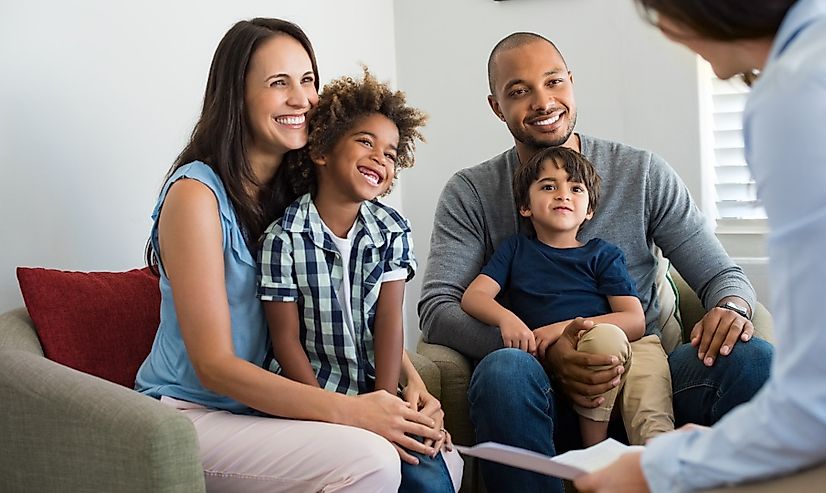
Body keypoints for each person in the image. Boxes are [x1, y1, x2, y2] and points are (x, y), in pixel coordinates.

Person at [419, 31, 773, 492]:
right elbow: (438, 307)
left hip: (643, 373)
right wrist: (546, 349)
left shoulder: (641, 173)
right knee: (505, 372)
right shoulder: (472, 192)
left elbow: (722, 275)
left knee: (752, 359)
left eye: (553, 82)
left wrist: (733, 307)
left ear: (571, 82)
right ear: (496, 106)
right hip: (532, 385)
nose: (543, 102)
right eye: (519, 91)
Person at [135, 18, 449, 492]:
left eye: (308, 80)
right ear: (236, 96)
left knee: (438, 457)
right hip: (191, 415)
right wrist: (355, 413)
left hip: (269, 410)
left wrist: (409, 387)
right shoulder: (195, 196)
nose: (301, 98)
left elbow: (347, 309)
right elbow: (213, 365)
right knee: (372, 462)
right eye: (278, 83)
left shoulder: (297, 197)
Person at [575, 0, 826, 491]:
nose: (663, 31)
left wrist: (661, 467)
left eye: (656, 11)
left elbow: (821, 403)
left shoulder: (798, 93)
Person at [257, 68, 461, 491]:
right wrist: (328, 412)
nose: (379, 158)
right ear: (322, 150)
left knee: (428, 473)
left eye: (390, 153)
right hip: (308, 395)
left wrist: (385, 408)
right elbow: (285, 341)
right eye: (366, 142)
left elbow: (389, 324)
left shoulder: (393, 230)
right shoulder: (282, 239)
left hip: (376, 392)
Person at [461, 146, 664, 447]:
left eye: (575, 188)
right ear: (525, 206)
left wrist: (559, 329)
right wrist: (507, 319)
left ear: (590, 209)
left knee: (649, 404)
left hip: (624, 349)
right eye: (548, 186)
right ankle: (593, 454)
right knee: (602, 341)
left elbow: (634, 321)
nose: (563, 194)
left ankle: (656, 464)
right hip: (556, 368)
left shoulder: (603, 254)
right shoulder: (515, 250)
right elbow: (474, 296)